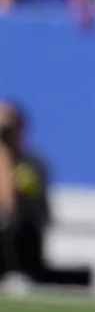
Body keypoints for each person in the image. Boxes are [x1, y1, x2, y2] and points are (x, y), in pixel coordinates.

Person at [0, 101, 50, 296]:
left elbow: (11, 204)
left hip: (23, 232)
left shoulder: (34, 164)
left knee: (16, 222)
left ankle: (16, 271)